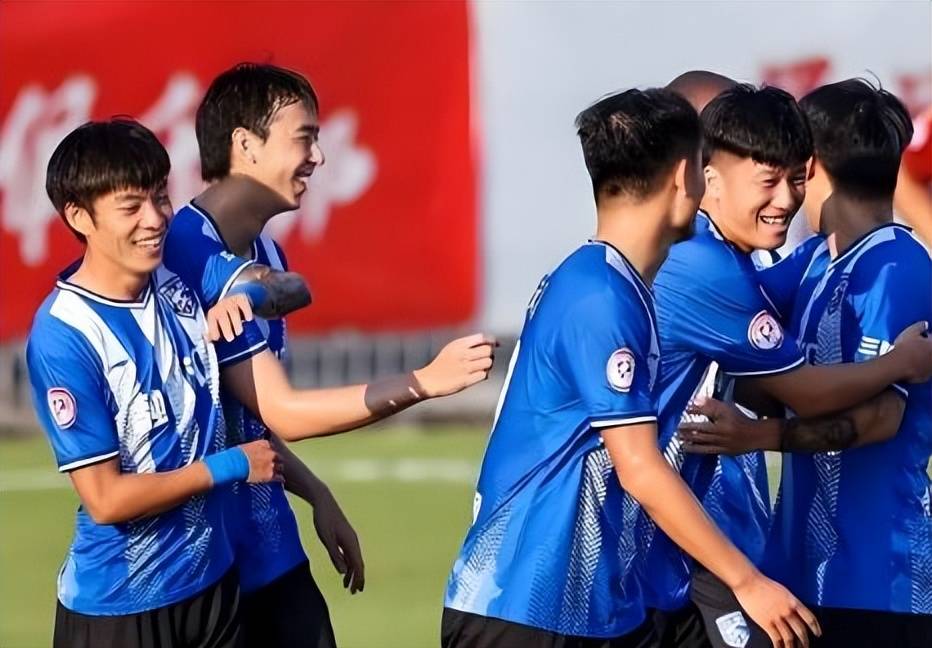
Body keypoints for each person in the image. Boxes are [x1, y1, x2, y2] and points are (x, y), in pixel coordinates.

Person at [443, 87, 820, 648]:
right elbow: (640, 468)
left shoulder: (619, 282)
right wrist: (748, 581)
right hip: (526, 606)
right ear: (683, 177)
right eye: (702, 166)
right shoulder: (602, 294)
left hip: (592, 607)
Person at [163, 62, 497, 648]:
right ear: (245, 143)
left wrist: (316, 492)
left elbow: (252, 420)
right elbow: (285, 411)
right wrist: (423, 382)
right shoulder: (189, 250)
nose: (318, 156)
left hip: (270, 553)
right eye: (304, 137)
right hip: (209, 569)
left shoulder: (264, 251)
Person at [644, 83, 932, 648]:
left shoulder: (897, 268)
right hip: (808, 576)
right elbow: (735, 320)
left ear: (810, 162)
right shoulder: (815, 260)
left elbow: (880, 419)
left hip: (879, 579)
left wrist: (758, 436)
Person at [28, 119, 282, 648]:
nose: (156, 218)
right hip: (120, 608)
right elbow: (105, 499)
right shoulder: (64, 335)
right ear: (79, 216)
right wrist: (231, 465)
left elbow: (287, 287)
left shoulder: (181, 274)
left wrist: (245, 298)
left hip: (215, 590)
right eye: (131, 206)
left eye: (160, 197)